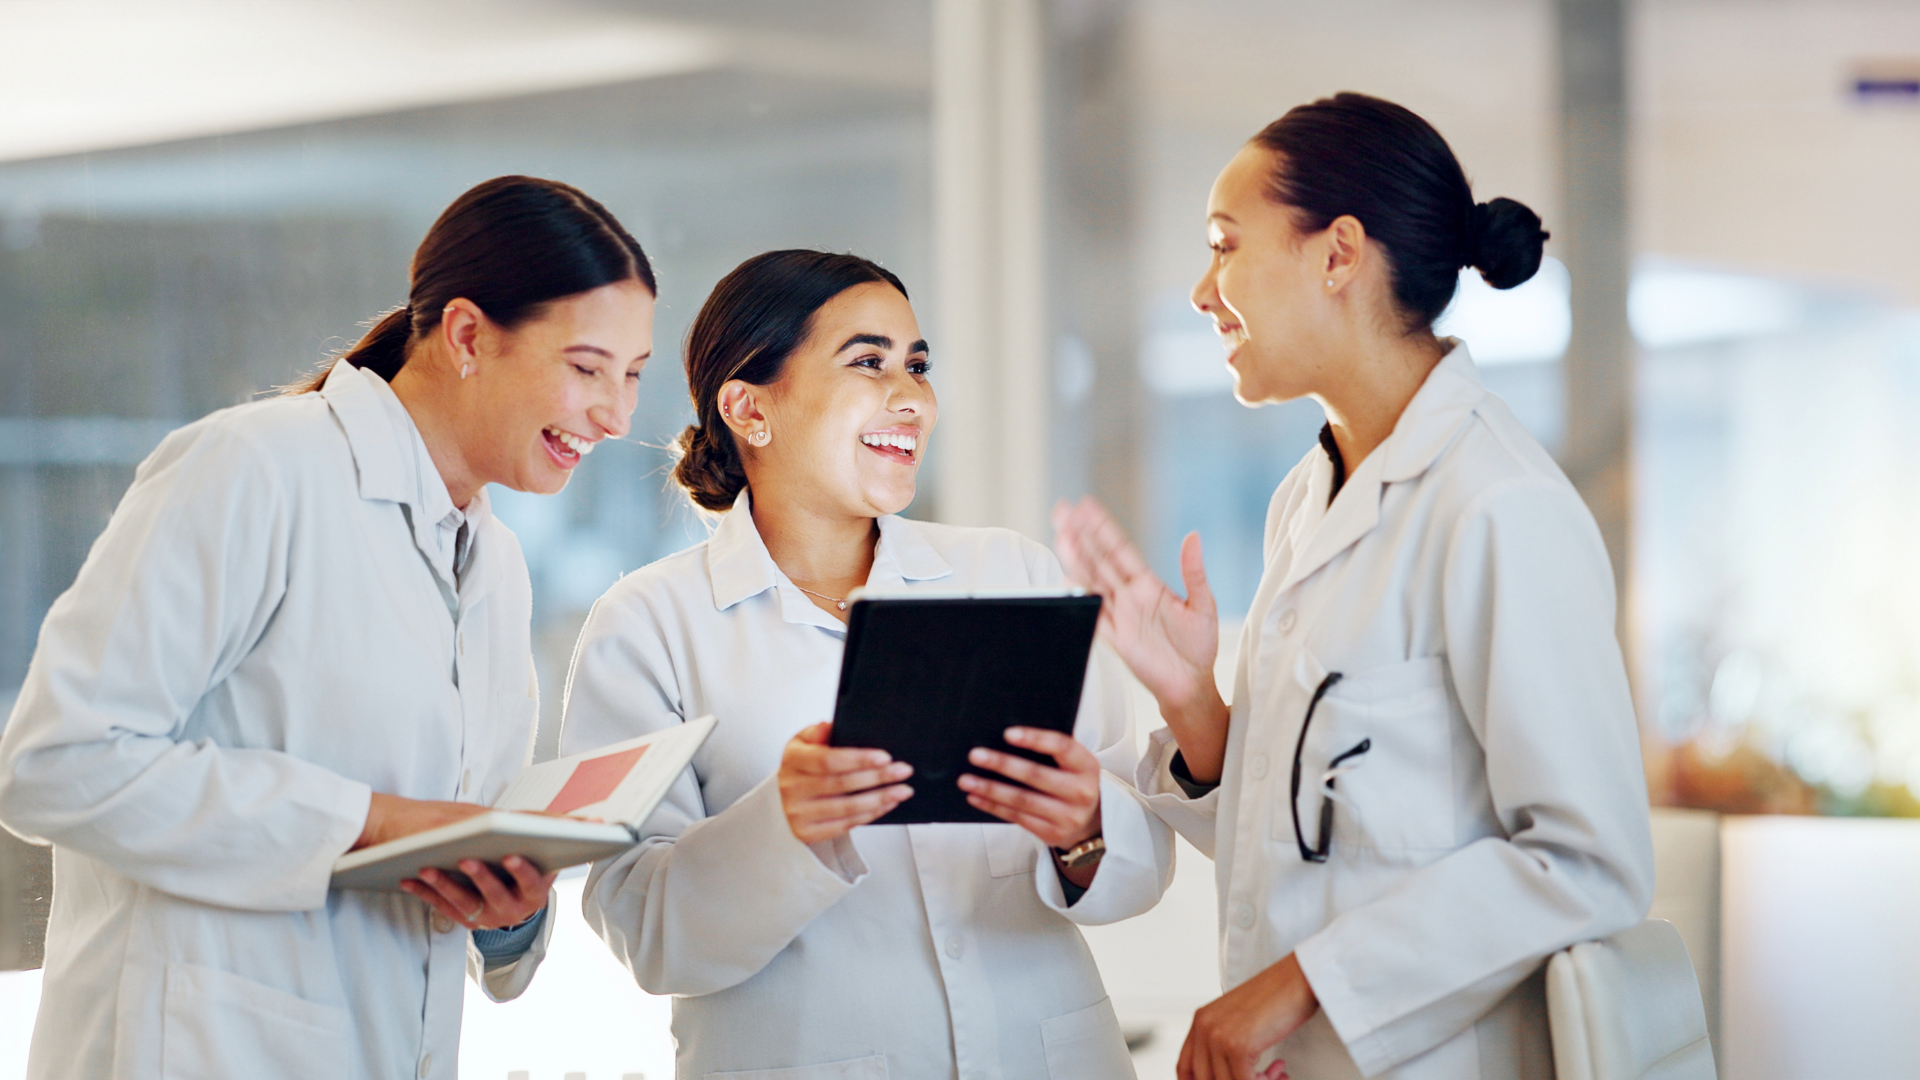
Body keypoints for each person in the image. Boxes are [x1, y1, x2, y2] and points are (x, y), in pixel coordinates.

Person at [1052, 93, 1655, 1080]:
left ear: (1337, 255)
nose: (1204, 293)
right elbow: (1318, 831)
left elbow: (1590, 864)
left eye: (1224, 244)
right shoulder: (1309, 496)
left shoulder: (1497, 503)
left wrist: (1293, 989)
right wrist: (1194, 703)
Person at [0, 175, 656, 1080]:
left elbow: (466, 850)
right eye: (587, 369)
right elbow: (54, 766)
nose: (617, 416)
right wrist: (372, 822)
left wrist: (509, 914)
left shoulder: (494, 564)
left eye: (632, 377)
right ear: (467, 335)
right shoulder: (255, 468)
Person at [558, 249, 1174, 1080]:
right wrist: (787, 824)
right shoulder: (647, 626)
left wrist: (1084, 829)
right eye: (869, 362)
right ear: (748, 407)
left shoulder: (1010, 576)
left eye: (918, 366)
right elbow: (644, 930)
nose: (912, 397)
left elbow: (1138, 870)